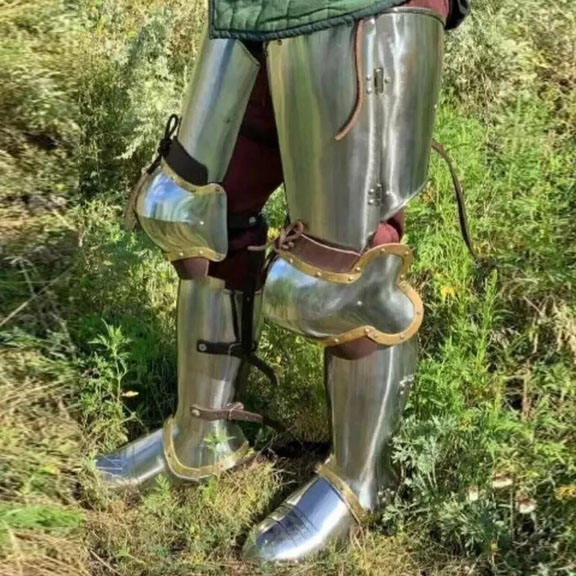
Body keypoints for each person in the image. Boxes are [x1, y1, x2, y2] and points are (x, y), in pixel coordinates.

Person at [96, 0, 470, 562]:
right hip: (250, 9)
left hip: (362, 10)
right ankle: (202, 434)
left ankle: (360, 480)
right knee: (188, 212)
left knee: (343, 277)